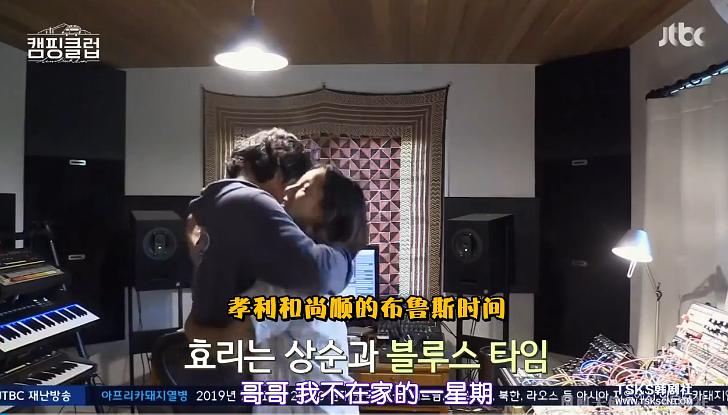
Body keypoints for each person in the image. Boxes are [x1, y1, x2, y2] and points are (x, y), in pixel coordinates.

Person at [186, 128, 357, 335]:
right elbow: (317, 272)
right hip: (230, 342)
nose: (286, 196)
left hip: (216, 334)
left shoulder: (218, 205)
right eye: (294, 183)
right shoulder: (251, 202)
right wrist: (345, 260)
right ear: (278, 169)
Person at [242, 165, 367, 414]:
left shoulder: (294, 277)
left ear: (327, 213)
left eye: (305, 189)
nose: (289, 188)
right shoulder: (329, 264)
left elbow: (221, 341)